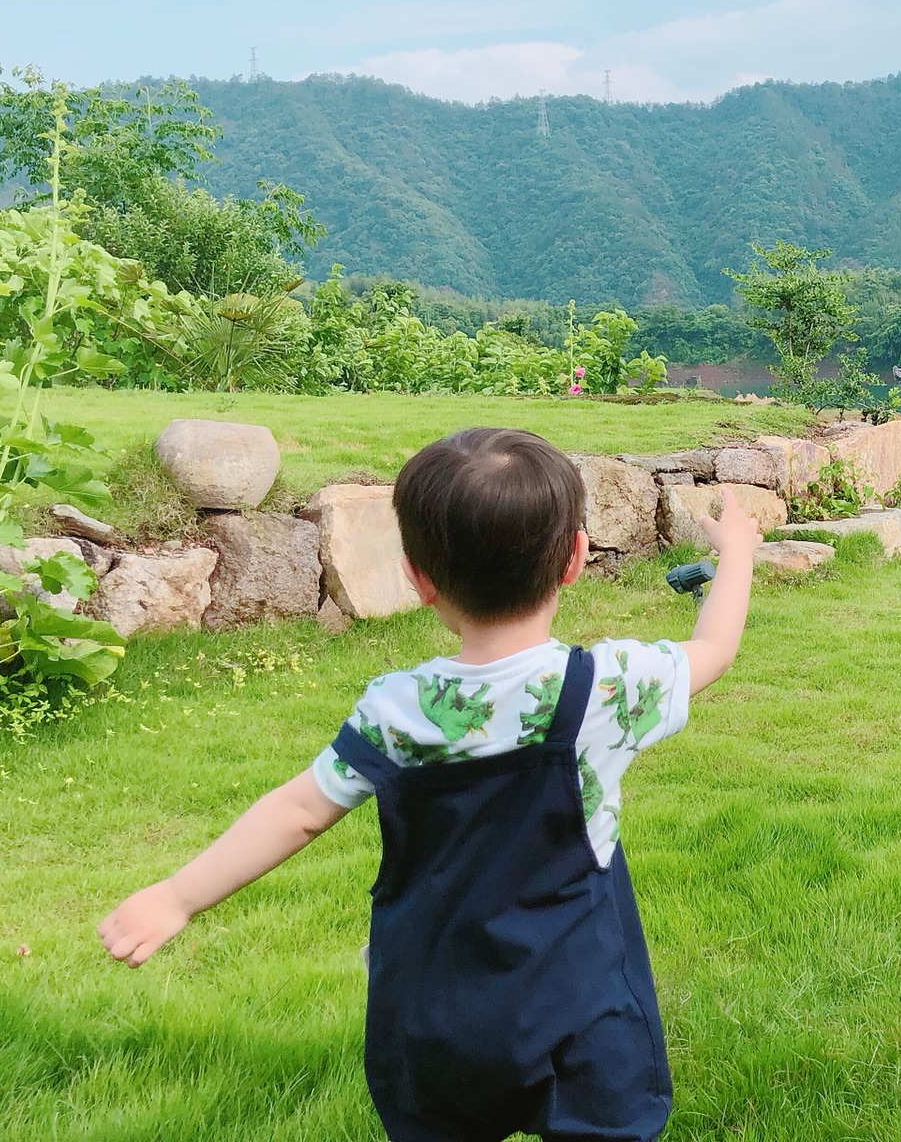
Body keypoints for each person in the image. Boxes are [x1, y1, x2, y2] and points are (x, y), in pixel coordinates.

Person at [98, 427, 761, 1142]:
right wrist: (739, 553)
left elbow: (298, 812)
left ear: (418, 576)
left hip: (434, 1004)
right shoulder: (608, 686)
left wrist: (176, 896)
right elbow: (713, 648)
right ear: (574, 559)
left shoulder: (397, 708)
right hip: (579, 997)